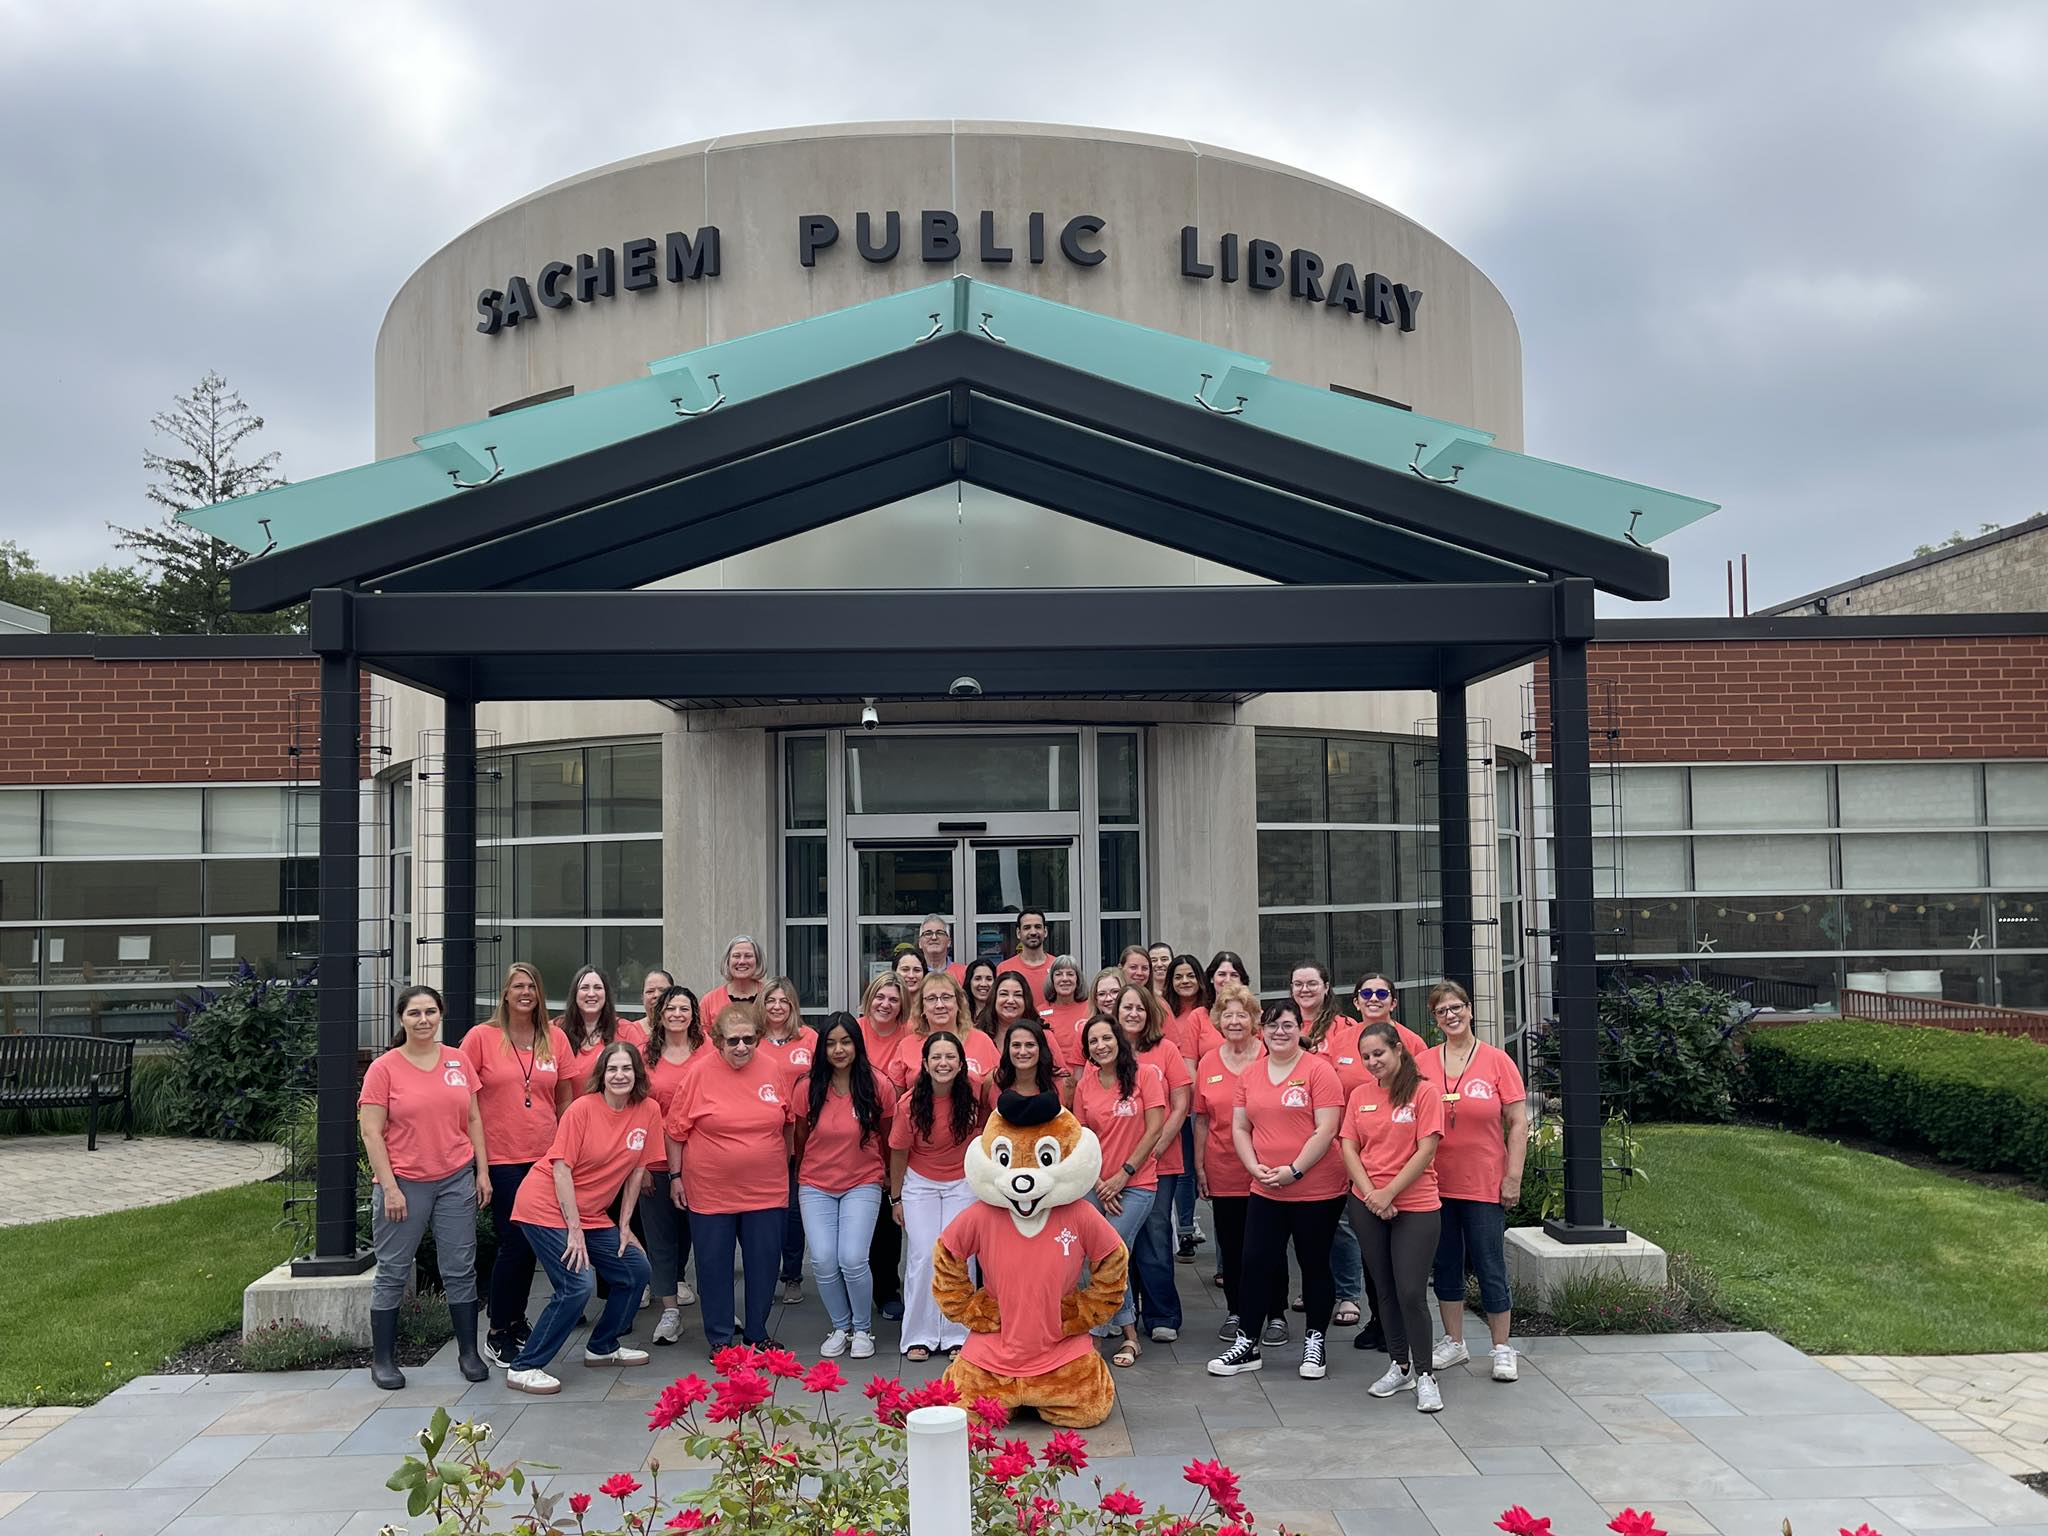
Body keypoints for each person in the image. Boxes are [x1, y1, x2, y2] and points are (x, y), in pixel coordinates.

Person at [504, 1041, 664, 1395]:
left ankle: (603, 1346)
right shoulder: (582, 1109)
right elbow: (561, 1169)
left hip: (590, 1212)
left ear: (637, 1073)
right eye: (612, 1069)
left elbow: (637, 1171)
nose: (620, 1075)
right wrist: (573, 1230)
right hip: (546, 1206)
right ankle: (525, 1365)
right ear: (602, 1075)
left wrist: (624, 1227)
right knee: (577, 1285)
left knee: (636, 1270)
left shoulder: (649, 1110)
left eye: (626, 1069)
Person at [358, 985, 492, 1390]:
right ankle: (383, 1360)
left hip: (454, 1178)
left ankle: (469, 1352)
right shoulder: (384, 1068)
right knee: (393, 1271)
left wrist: (481, 1171)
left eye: (430, 1012)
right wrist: (391, 1187)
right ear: (401, 1019)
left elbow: (473, 1119)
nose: (423, 1020)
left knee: (460, 1268)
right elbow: (371, 1131)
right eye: (414, 1013)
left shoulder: (457, 1061)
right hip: (405, 1183)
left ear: (440, 1015)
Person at [1206, 999, 1346, 1382]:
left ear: (1299, 1028)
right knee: (1254, 1264)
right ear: (1261, 1031)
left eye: (1286, 1025)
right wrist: (1254, 1168)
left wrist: (1295, 1170)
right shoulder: (1251, 1075)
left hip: (1316, 1190)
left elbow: (1327, 1129)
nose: (1279, 1032)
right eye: (1271, 1026)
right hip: (1265, 1188)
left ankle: (1315, 1341)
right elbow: (1240, 1127)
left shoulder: (1319, 1071)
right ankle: (1247, 1342)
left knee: (1314, 1265)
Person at [663, 1001, 797, 1352]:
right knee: (713, 1265)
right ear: (717, 1040)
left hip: (766, 1190)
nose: (741, 1047)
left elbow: (787, 1123)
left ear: (759, 1039)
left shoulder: (771, 1069)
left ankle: (757, 1332)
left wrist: (779, 1164)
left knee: (765, 1263)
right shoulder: (698, 1073)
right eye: (733, 1040)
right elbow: (675, 1130)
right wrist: (675, 1177)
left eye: (749, 1040)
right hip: (710, 1190)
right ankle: (721, 1339)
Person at [461, 962, 573, 1369]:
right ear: (505, 994)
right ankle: (496, 1331)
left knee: (532, 1245)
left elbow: (564, 1101)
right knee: (515, 1242)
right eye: (517, 986)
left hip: (544, 1158)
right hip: (503, 1158)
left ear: (540, 994)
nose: (525, 992)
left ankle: (515, 1319)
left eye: (532, 986)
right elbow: (465, 1101)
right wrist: (481, 1168)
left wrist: (565, 1152)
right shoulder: (481, 1038)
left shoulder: (554, 1038)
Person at [1419, 980, 1529, 1385]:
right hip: (1435, 1183)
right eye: (1441, 1011)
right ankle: (1454, 1341)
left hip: (1484, 1182)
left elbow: (1518, 1123)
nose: (1451, 1015)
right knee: (1445, 1264)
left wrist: (1512, 1176)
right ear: (1435, 1019)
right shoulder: (1425, 1063)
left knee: (1489, 1264)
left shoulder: (1498, 1062)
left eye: (1456, 1007)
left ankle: (1502, 1348)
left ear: (1469, 1009)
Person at [1341, 1019, 1446, 1412]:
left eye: (1379, 1054)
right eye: (1366, 1056)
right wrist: (1371, 1194)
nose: (1372, 1062)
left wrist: (1389, 1192)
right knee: (1383, 1290)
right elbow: (1349, 1148)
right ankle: (1399, 1365)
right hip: (1367, 1204)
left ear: (1399, 1049)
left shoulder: (1424, 1093)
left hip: (1415, 1205)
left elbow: (1426, 1150)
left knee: (1411, 1293)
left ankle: (1426, 1374)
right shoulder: (1360, 1096)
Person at [1068, 1014, 1165, 1367]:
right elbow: (1078, 1136)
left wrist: (1123, 1175)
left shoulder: (1145, 1075)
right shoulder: (1085, 1085)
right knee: (1090, 1255)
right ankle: (1128, 1333)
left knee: (1110, 1253)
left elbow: (1154, 1129)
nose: (1100, 1046)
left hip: (1136, 1184)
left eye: (1106, 1038)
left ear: (1118, 1039)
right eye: (1093, 1041)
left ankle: (1096, 1336)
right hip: (1095, 1185)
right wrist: (1097, 1182)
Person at [795, 1012, 891, 1360]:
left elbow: (887, 1133)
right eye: (831, 1043)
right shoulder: (808, 1087)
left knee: (852, 1258)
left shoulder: (877, 1085)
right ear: (822, 1048)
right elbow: (800, 1138)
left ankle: (863, 1329)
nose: (839, 1049)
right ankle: (841, 1326)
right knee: (822, 1259)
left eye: (846, 1041)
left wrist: (888, 1177)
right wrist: (803, 1174)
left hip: (862, 1181)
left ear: (857, 1044)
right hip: (816, 1183)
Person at [888, 1031, 983, 1360]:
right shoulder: (909, 1104)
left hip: (963, 1183)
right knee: (923, 1256)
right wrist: (896, 1198)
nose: (944, 1063)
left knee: (959, 1256)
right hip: (920, 1184)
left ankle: (959, 1334)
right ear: (925, 1064)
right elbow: (898, 1153)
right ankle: (919, 1336)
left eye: (950, 1057)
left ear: (961, 1063)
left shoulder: (974, 1093)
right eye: (937, 1058)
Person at [1192, 981, 1277, 1345]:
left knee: (1267, 1245)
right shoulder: (1209, 1061)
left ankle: (1275, 1314)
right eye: (1228, 1014)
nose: (1235, 1021)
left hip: (1267, 1168)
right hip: (1223, 1164)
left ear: (1254, 1019)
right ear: (1218, 1021)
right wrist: (1199, 1166)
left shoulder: (1268, 1055)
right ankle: (1238, 1312)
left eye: (1242, 1014)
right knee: (1231, 1244)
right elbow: (1201, 1118)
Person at [1289, 960, 1365, 1328]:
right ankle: (1316, 1287)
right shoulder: (1283, 1023)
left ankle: (1349, 1293)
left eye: (1311, 984)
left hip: (1335, 1138)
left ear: (1326, 987)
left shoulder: (1344, 1028)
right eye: (1298, 984)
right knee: (1307, 1224)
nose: (1304, 990)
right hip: (1295, 1138)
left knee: (1341, 1222)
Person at [1111, 983, 1187, 1343]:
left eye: (1140, 1008)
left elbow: (1180, 1103)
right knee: (1119, 1239)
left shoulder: (1165, 1049)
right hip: (1116, 1166)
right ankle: (1121, 1315)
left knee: (1155, 1235)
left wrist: (1156, 1147)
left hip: (1160, 1160)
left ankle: (1162, 1314)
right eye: (1127, 1007)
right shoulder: (1107, 1050)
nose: (1133, 1014)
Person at [640, 984, 704, 1345]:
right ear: (659, 1014)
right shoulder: (644, 1057)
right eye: (671, 1008)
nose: (677, 1015)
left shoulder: (708, 1052)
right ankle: (669, 1313)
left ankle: (718, 1305)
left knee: (705, 1236)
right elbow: (634, 1114)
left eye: (684, 1008)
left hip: (703, 1162)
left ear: (693, 1015)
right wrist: (642, 1164)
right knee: (661, 1239)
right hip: (657, 1162)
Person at [858, 971, 913, 1323]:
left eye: (894, 999)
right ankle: (856, 1294)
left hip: (896, 1133)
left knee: (887, 1217)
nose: (886, 1004)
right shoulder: (855, 1029)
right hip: (858, 1135)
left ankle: (887, 1289)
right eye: (880, 996)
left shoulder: (909, 1036)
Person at [761, 976, 819, 1305]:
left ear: (793, 1005)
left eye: (783, 1001)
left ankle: (793, 1274)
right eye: (771, 1000)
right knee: (767, 1213)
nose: (777, 1006)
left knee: (794, 1211)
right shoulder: (752, 1041)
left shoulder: (808, 1038)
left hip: (803, 1138)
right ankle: (765, 1273)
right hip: (764, 1140)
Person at [1163, 953, 1219, 1259]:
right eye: (1178, 977)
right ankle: (1184, 1230)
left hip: (1209, 1102)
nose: (1185, 982)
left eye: (1190, 975)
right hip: (1180, 1102)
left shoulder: (1211, 1012)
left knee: (1207, 1167)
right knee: (1183, 1169)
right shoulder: (1165, 1011)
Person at [892, 972, 998, 1090]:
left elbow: (998, 1091)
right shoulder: (906, 1046)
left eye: (946, 997)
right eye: (931, 999)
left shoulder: (982, 1042)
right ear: (922, 1007)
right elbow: (895, 1102)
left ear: (959, 1003)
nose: (939, 1005)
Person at [560, 965, 649, 1097]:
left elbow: (642, 1078)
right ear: (574, 993)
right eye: (584, 988)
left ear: (606, 993)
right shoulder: (557, 1031)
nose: (591, 994)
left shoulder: (626, 1031)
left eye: (598, 988)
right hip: (570, 1115)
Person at [988, 970, 1063, 1074]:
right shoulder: (979, 1036)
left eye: (1018, 995)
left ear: (1026, 1000)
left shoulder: (1044, 1036)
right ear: (994, 998)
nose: (1010, 1000)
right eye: (1004, 994)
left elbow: (1062, 1078)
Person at [701, 935, 766, 1026]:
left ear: (758, 961)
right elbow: (701, 1037)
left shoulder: (769, 995)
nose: (742, 961)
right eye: (736, 956)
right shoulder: (709, 1001)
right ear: (727, 961)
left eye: (748, 956)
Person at [997, 907, 1055, 994]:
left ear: (1045, 931)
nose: (1033, 932)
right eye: (1027, 928)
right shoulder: (1004, 969)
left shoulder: (1057, 967)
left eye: (1038, 927)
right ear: (1018, 933)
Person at [1041, 955, 1090, 1047]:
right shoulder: (1039, 1012)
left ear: (1078, 979)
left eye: (1070, 974)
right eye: (1058, 974)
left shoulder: (1091, 1009)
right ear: (1052, 979)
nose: (1064, 979)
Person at [916, 915, 968, 983]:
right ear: (920, 943)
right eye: (928, 933)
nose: (934, 937)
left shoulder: (964, 973)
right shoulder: (914, 974)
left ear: (949, 942)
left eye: (940, 933)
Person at [962, 957, 1000, 1035]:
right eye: (978, 978)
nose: (983, 984)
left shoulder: (1000, 1012)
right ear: (969, 982)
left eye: (989, 979)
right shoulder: (960, 1011)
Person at [1146, 942, 1176, 1006]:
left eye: (1164, 959)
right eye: (1154, 960)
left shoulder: (1179, 992)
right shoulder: (1144, 994)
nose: (1159, 964)